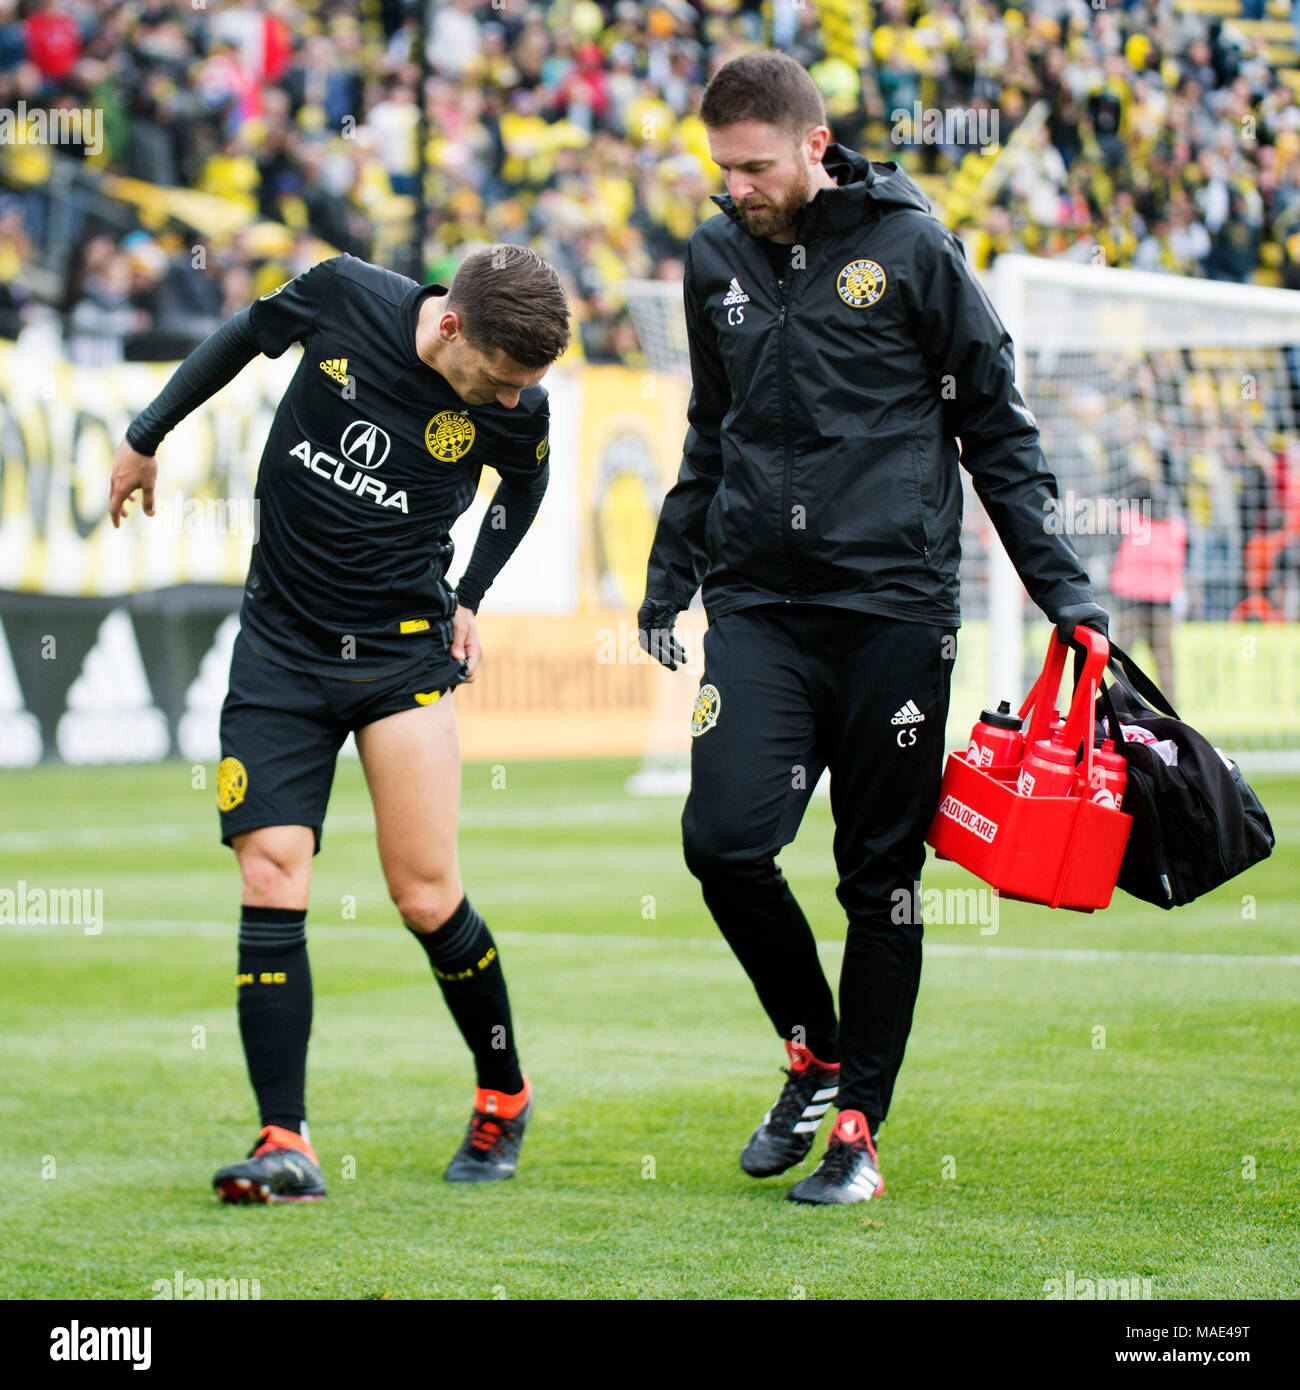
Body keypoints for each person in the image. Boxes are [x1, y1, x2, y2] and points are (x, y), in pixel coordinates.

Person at [637, 51, 1106, 1206]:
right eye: (721, 170)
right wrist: (666, 579)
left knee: (878, 874)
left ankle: (857, 1127)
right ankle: (814, 1048)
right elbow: (714, 428)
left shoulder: (909, 244)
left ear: (812, 144)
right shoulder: (713, 257)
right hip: (757, 604)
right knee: (723, 843)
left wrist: (1065, 592)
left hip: (891, 607)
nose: (734, 188)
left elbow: (994, 423)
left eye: (752, 168)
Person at [109, 245, 570, 1200]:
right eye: (494, 380)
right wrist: (146, 432)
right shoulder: (341, 295)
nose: (506, 402)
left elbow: (524, 488)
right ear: (450, 326)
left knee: (425, 897)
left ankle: (503, 1095)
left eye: (522, 389)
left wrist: (472, 594)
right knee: (272, 872)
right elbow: (242, 336)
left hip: (402, 655)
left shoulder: (518, 406)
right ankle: (286, 1139)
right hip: (279, 646)